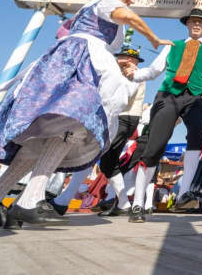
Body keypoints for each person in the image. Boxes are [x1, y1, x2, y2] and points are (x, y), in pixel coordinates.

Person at [0, 0, 170, 228]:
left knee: (45, 138)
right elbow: (125, 15)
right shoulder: (106, 2)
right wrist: (153, 38)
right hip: (80, 63)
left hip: (65, 62)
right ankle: (28, 203)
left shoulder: (88, 11)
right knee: (73, 123)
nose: (132, 0)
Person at [126, 8, 202, 222]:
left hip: (197, 98)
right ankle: (137, 203)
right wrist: (134, 74)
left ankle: (185, 192)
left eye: (200, 23)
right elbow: (154, 71)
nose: (196, 25)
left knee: (196, 139)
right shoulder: (173, 46)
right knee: (154, 145)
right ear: (187, 24)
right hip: (168, 96)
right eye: (193, 21)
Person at [49, 46, 148, 217]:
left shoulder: (134, 74)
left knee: (93, 153)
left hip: (123, 117)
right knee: (109, 164)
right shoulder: (121, 73)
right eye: (122, 58)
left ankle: (63, 201)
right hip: (120, 118)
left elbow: (122, 98)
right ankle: (123, 204)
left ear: (134, 61)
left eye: (127, 59)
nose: (124, 62)